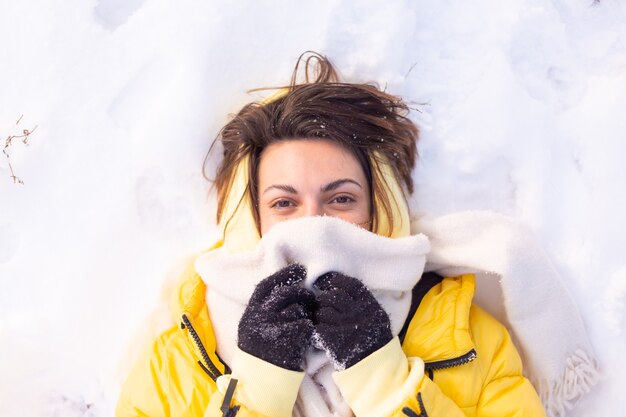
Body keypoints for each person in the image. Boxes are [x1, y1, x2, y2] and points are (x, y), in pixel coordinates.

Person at [116, 52, 548, 417]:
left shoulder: (472, 340)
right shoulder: (174, 364)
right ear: (252, 221)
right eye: (284, 204)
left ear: (382, 210)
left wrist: (384, 381)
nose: (315, 226)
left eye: (341, 199)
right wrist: (257, 392)